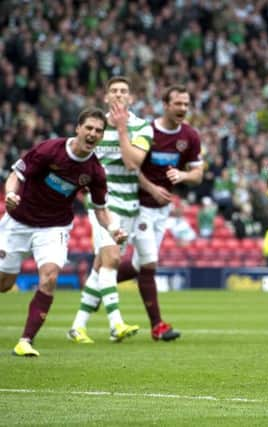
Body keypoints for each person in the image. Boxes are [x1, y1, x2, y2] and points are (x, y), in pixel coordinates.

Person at [0, 107, 127, 356]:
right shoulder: (50, 150)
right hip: (18, 221)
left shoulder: (94, 171)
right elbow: (17, 175)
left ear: (102, 136)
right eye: (88, 128)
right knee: (4, 284)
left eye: (98, 131)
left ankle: (25, 341)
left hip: (54, 226)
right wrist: (12, 195)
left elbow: (101, 209)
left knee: (49, 277)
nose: (92, 133)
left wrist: (114, 229)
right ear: (78, 128)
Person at [67, 76, 152, 344]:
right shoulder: (94, 129)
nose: (118, 95)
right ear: (106, 97)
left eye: (123, 91)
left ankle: (78, 326)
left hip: (130, 204)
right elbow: (77, 160)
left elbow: (132, 162)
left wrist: (123, 129)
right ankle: (116, 324)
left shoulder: (142, 128)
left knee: (102, 263)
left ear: (131, 98)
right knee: (112, 258)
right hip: (103, 203)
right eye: (113, 91)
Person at [116, 84, 203, 341]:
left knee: (136, 265)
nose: (183, 109)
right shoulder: (147, 131)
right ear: (165, 105)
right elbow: (132, 166)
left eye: (186, 104)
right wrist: (152, 188)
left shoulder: (190, 136)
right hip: (139, 206)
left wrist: (183, 174)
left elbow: (198, 174)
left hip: (162, 211)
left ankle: (99, 284)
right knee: (149, 265)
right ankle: (157, 325)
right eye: (178, 104)